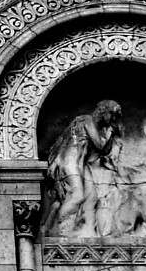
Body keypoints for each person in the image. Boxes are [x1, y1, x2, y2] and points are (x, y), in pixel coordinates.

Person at [43, 99, 121, 238]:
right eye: (112, 114)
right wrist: (109, 134)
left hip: (80, 163)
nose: (113, 119)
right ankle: (62, 231)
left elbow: (105, 151)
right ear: (104, 110)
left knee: (92, 196)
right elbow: (99, 145)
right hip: (70, 161)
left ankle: (88, 231)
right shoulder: (86, 120)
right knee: (77, 196)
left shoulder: (96, 127)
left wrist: (111, 135)